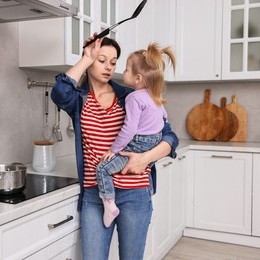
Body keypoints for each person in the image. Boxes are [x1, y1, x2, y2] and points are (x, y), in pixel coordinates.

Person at [51, 33, 179, 260]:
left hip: (135, 194)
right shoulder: (79, 100)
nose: (108, 67)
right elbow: (59, 93)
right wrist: (85, 58)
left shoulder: (130, 96)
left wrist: (145, 158)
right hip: (95, 195)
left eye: (113, 62)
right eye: (101, 61)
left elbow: (169, 137)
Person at [96, 43, 177, 228]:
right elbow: (165, 117)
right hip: (155, 139)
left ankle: (109, 205)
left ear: (138, 77)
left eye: (125, 69)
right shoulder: (153, 95)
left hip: (140, 142)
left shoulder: (133, 97)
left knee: (102, 169)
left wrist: (114, 149)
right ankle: (147, 189)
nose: (122, 72)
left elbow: (130, 129)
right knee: (143, 164)